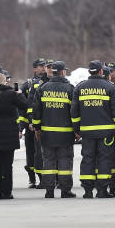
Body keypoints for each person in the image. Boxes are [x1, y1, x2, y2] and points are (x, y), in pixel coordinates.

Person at [72, 60, 115, 198]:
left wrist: (77, 129)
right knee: (104, 159)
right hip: (106, 132)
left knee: (88, 158)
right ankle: (102, 190)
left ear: (89, 71)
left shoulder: (80, 88)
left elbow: (74, 112)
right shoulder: (111, 88)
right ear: (101, 71)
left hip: (87, 132)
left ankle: (88, 191)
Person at [32, 61, 77, 198]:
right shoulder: (70, 89)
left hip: (47, 133)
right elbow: (74, 112)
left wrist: (37, 128)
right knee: (65, 160)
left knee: (49, 161)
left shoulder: (43, 88)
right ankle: (65, 190)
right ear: (63, 72)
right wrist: (77, 129)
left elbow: (36, 111)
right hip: (65, 133)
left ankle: (49, 190)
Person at [0, 72, 28, 199]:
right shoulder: (11, 94)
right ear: (4, 81)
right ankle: (7, 191)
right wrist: (19, 94)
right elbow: (24, 105)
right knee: (7, 165)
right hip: (9, 132)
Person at [21, 58, 47, 188]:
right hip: (30, 125)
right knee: (31, 154)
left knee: (41, 152)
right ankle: (32, 178)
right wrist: (24, 125)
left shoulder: (47, 83)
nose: (43, 68)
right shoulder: (28, 84)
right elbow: (25, 107)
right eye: (40, 66)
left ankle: (44, 177)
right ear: (34, 69)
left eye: (45, 66)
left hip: (40, 124)